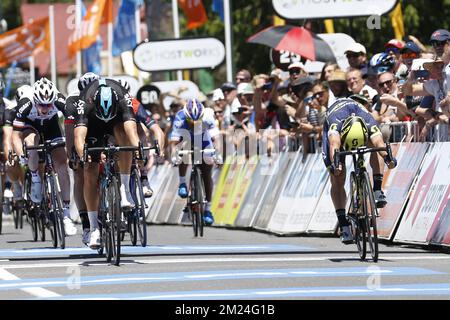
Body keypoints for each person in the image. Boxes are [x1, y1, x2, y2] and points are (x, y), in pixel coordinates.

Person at [73, 77, 140, 249]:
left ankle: (124, 189)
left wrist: (137, 148)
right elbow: (79, 137)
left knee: (125, 139)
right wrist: (82, 155)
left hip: (116, 121)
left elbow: (131, 131)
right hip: (93, 125)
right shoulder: (85, 101)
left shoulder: (122, 97)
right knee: (89, 169)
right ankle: (94, 227)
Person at [322, 98, 397, 244]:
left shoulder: (369, 120)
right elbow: (334, 144)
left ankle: (377, 189)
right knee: (337, 176)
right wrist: (336, 164)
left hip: (360, 124)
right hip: (335, 131)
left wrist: (389, 159)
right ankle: (343, 224)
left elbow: (379, 144)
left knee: (376, 148)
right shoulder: (335, 123)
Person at [13, 78, 77, 237]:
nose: (45, 108)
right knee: (32, 142)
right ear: (35, 100)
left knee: (62, 166)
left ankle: (66, 215)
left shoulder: (60, 100)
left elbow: (70, 128)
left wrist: (70, 151)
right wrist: (22, 156)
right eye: (41, 105)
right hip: (30, 125)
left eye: (49, 105)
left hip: (51, 126)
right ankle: (35, 178)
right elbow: (15, 135)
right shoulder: (25, 103)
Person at [170, 99, 222, 226]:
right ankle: (183, 183)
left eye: (196, 121)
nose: (193, 123)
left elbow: (216, 139)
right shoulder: (180, 117)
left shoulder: (208, 116)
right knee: (183, 152)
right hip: (186, 138)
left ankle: (208, 209)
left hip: (204, 139)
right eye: (190, 121)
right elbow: (174, 143)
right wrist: (174, 155)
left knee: (207, 170)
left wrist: (218, 154)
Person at [65, 72, 99, 245]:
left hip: (99, 132)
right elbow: (71, 132)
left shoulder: (104, 96)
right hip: (81, 133)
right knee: (79, 174)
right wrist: (72, 154)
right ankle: (86, 224)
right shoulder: (72, 102)